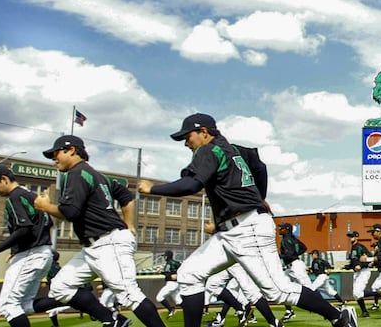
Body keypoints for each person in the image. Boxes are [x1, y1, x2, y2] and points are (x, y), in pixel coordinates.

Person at [137, 113, 357, 327]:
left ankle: (340, 317)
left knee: (278, 291)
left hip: (248, 228)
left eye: (188, 136)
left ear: (203, 132)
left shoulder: (209, 149)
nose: (186, 143)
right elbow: (260, 167)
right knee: (189, 274)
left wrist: (153, 188)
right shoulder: (235, 150)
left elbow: (192, 184)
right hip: (230, 232)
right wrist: (260, 197)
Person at [35, 135, 165, 327]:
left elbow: (71, 212)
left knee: (130, 295)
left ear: (71, 150)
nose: (54, 158)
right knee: (61, 286)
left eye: (56, 153)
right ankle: (113, 320)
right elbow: (125, 195)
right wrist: (129, 224)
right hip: (94, 246)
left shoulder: (76, 172)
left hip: (109, 242)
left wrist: (45, 206)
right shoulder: (96, 175)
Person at [0, 165, 63, 327]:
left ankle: (78, 298)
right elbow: (47, 224)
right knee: (25, 305)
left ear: (4, 179)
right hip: (42, 252)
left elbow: (24, 229)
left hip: (31, 253)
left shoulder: (15, 196)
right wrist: (16, 249)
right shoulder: (31, 195)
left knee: (7, 306)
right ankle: (78, 299)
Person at [277, 222, 311, 322]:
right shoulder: (293, 239)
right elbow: (304, 248)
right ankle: (289, 311)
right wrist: (296, 254)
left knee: (309, 288)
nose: (280, 229)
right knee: (282, 287)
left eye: (282, 228)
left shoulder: (286, 240)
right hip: (290, 267)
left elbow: (289, 255)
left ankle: (329, 309)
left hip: (295, 266)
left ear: (287, 230)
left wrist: (279, 256)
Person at [342, 231, 380, 318]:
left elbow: (369, 258)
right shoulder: (352, 248)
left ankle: (376, 294)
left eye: (352, 236)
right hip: (357, 273)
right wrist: (346, 267)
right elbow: (353, 264)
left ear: (356, 237)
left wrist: (361, 265)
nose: (350, 238)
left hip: (364, 271)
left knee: (358, 292)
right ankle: (365, 312)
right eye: (350, 237)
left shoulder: (360, 247)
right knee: (355, 294)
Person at [156, 250, 182, 318]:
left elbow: (169, 274)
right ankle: (192, 311)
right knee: (179, 301)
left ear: (167, 256)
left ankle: (171, 310)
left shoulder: (171, 263)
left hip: (172, 284)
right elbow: (169, 273)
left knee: (159, 297)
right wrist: (162, 272)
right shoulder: (173, 263)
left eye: (165, 256)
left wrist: (178, 275)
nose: (164, 257)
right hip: (174, 283)